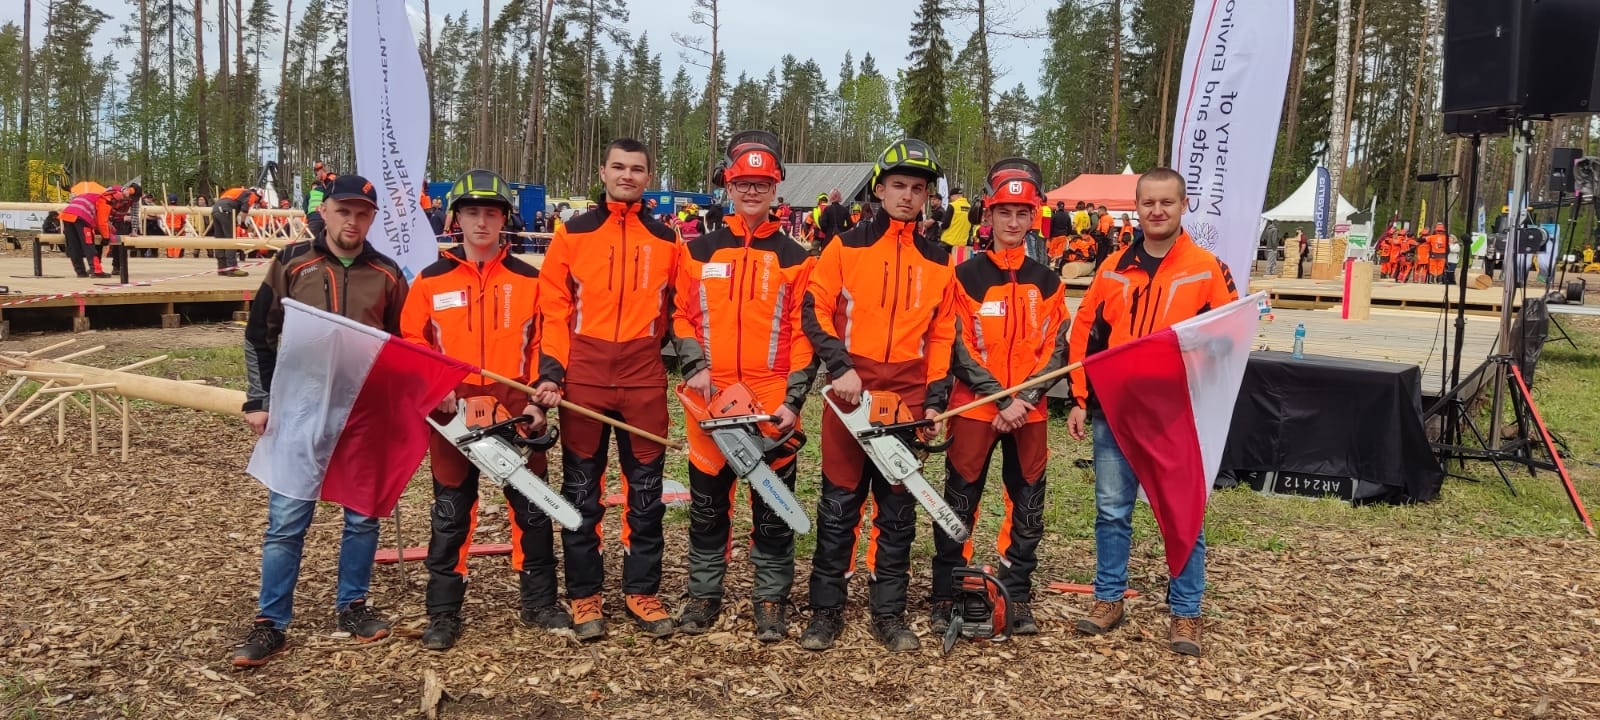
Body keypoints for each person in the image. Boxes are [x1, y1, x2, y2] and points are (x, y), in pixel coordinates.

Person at [229, 175, 410, 667]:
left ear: (372, 219)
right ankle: (271, 622)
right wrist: (257, 399)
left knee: (362, 515)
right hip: (299, 405)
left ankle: (352, 605)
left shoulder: (388, 274)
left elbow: (401, 347)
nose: (352, 222)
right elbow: (258, 334)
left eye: (363, 214)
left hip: (362, 410)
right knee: (287, 520)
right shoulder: (292, 262)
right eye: (344, 211)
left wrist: (399, 408)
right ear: (325, 212)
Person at [1066, 167, 1239, 657]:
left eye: (1167, 202)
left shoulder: (1208, 268)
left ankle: (1186, 611)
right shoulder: (1114, 267)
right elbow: (1085, 335)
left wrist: (1180, 360)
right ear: (1136, 207)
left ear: (1184, 205)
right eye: (1148, 203)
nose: (1157, 211)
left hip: (1175, 414)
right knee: (1112, 511)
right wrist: (1080, 398)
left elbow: (1227, 338)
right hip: (1116, 413)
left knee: (1182, 513)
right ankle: (1108, 598)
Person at [799, 138, 958, 653]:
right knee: (839, 505)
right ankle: (825, 611)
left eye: (918, 188)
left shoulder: (941, 259)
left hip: (908, 395)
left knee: (896, 511)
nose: (908, 196)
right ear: (879, 189)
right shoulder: (845, 246)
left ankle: (888, 613)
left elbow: (942, 335)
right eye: (898, 186)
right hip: (850, 393)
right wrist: (839, 366)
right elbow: (814, 309)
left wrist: (936, 400)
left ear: (927, 196)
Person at [399, 169, 558, 650]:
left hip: (514, 402)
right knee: (450, 510)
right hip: (454, 406)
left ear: (505, 220)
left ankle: (540, 603)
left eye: (491, 213)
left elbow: (546, 342)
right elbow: (411, 341)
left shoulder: (531, 278)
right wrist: (435, 385)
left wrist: (537, 398)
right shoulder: (430, 280)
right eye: (473, 212)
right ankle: (443, 613)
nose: (482, 222)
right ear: (456, 219)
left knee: (531, 506)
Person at [531, 139, 680, 641]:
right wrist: (551, 372)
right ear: (603, 170)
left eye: (637, 169)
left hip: (642, 377)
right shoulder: (571, 234)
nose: (627, 175)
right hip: (586, 376)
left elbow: (677, 313)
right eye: (619, 166)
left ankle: (642, 590)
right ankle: (584, 595)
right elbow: (553, 307)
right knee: (581, 491)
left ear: (648, 176)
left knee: (646, 494)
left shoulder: (666, 240)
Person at [671, 131, 817, 641]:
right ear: (728, 185)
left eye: (761, 182)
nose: (751, 191)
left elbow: (805, 336)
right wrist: (694, 366)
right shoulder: (699, 250)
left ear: (775, 187)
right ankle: (703, 596)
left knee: (774, 506)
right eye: (742, 182)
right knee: (709, 503)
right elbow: (681, 316)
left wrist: (794, 401)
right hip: (709, 396)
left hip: (771, 394)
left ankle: (770, 600)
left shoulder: (797, 258)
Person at [931, 158, 1068, 637]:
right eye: (1004, 212)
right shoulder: (964, 275)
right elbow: (954, 342)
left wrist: (1024, 399)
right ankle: (950, 591)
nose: (1013, 222)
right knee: (958, 501)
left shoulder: (1049, 282)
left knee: (1028, 503)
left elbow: (1058, 347)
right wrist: (998, 396)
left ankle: (1018, 593)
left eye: (1022, 213)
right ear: (988, 216)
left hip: (1029, 412)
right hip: (974, 406)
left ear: (1034, 218)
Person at [58, 186, 116, 278]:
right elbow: (102, 222)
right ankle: (96, 271)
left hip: (67, 216)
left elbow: (96, 219)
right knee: (88, 245)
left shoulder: (92, 196)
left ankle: (80, 271)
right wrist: (106, 237)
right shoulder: (104, 201)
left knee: (74, 246)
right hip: (81, 217)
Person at [212, 186, 262, 277]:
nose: (254, 202)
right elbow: (244, 211)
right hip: (226, 211)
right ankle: (232, 268)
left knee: (220, 240)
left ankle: (222, 268)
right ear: (259, 196)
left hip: (216, 209)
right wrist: (243, 225)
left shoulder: (236, 191)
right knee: (230, 240)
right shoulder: (251, 194)